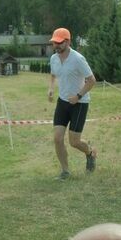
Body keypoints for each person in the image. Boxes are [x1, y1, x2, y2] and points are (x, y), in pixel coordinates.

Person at [46, 27, 97, 180]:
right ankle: (65, 171)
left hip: (79, 103)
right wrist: (51, 88)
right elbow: (53, 74)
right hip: (62, 102)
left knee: (74, 142)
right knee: (57, 138)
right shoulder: (54, 58)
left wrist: (78, 95)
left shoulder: (78, 59)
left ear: (68, 42)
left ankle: (90, 152)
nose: (56, 46)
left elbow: (92, 80)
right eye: (54, 43)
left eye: (59, 43)